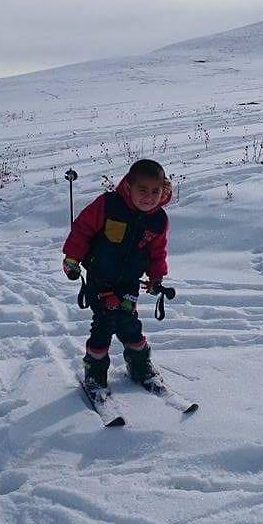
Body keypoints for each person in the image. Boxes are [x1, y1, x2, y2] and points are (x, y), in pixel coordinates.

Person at [62, 159, 171, 392]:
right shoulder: (109, 205)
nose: (149, 197)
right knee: (104, 323)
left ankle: (139, 365)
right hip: (100, 279)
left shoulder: (158, 220)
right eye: (143, 190)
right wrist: (72, 258)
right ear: (129, 186)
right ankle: (95, 372)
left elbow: (157, 252)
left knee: (129, 323)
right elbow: (82, 229)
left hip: (129, 282)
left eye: (155, 191)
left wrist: (156, 277)